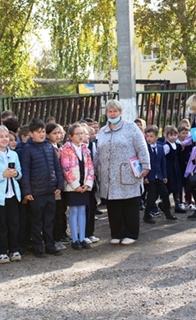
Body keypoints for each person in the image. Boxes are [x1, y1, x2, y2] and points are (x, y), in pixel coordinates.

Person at [95, 100, 150, 246]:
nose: (112, 114)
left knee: (130, 204)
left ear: (120, 112)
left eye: (115, 111)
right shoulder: (102, 131)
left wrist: (145, 165)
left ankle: (131, 233)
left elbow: (142, 147)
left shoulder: (131, 128)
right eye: (110, 111)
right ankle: (116, 233)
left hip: (128, 172)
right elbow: (97, 153)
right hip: (109, 175)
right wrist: (95, 171)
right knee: (113, 206)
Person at [20, 118, 64, 257]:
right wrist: (27, 191)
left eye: (43, 131)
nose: (42, 134)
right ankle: (38, 246)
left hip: (50, 190)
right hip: (36, 192)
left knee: (49, 220)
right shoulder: (27, 149)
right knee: (36, 221)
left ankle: (50, 245)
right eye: (38, 132)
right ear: (31, 133)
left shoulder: (49, 146)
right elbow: (25, 171)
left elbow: (57, 167)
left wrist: (59, 184)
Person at [0, 125, 23, 263]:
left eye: (6, 136)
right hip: (0, 196)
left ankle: (14, 249)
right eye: (1, 136)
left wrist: (15, 174)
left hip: (13, 194)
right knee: (1, 225)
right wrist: (3, 175)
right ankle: (1, 251)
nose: (4, 139)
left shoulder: (13, 154)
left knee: (14, 223)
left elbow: (20, 173)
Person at [61, 124, 95, 250]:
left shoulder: (85, 149)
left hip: (84, 185)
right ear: (70, 136)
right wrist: (75, 185)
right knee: (74, 211)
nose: (81, 136)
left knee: (82, 211)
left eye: (82, 133)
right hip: (73, 186)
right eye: (77, 133)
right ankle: (75, 239)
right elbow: (66, 169)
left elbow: (90, 167)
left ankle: (82, 237)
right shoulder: (66, 149)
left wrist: (87, 184)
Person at [142, 125, 178, 224]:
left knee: (165, 194)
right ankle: (147, 215)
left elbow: (163, 163)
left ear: (157, 137)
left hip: (159, 176)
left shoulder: (161, 147)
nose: (149, 138)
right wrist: (145, 177)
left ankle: (168, 214)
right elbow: (143, 163)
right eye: (147, 136)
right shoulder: (145, 148)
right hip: (150, 176)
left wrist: (164, 176)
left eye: (151, 136)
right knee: (152, 196)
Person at [46, 123, 70, 250]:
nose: (58, 136)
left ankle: (62, 234)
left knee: (61, 210)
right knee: (55, 212)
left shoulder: (61, 146)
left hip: (63, 183)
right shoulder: (48, 147)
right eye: (54, 133)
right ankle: (55, 238)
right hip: (54, 185)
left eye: (59, 133)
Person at [163, 126, 186, 213]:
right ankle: (164, 203)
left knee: (177, 186)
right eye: (171, 135)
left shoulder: (177, 145)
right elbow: (163, 158)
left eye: (175, 135)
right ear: (167, 136)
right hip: (169, 169)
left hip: (175, 168)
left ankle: (177, 205)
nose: (173, 137)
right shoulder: (166, 146)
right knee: (170, 186)